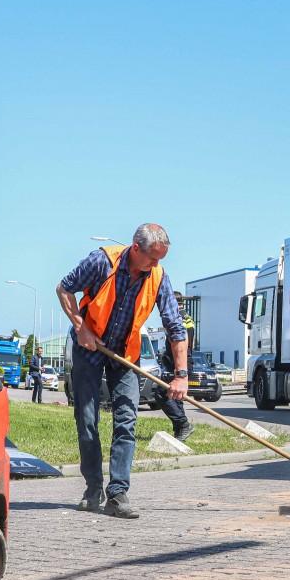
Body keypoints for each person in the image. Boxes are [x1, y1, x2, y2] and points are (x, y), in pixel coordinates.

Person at [56, 223, 188, 520]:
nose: (156, 265)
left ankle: (117, 494)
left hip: (126, 354)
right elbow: (64, 288)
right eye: (153, 258)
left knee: (127, 420)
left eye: (161, 259)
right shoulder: (101, 261)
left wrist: (181, 374)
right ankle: (92, 489)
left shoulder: (158, 276)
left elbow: (175, 327)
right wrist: (81, 328)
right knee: (87, 420)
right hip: (90, 349)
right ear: (136, 248)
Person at [157, 292, 195, 441]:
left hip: (178, 361)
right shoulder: (187, 317)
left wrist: (179, 370)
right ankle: (180, 430)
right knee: (176, 398)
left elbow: (183, 341)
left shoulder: (178, 318)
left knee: (162, 393)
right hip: (181, 361)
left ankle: (183, 425)